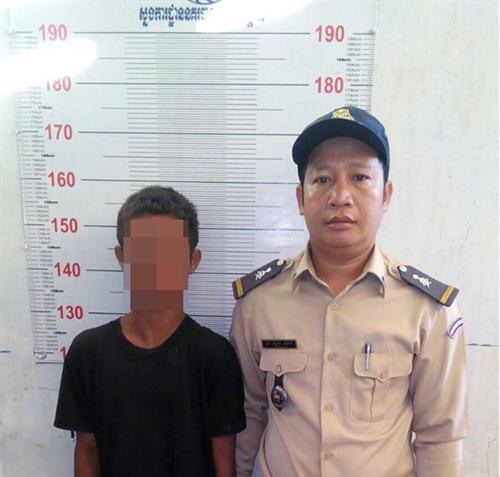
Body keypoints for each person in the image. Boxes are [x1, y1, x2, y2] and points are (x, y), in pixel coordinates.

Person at [230, 106, 467, 477]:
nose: (340, 196)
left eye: (359, 177)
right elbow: (247, 415)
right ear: (300, 199)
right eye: (322, 179)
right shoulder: (258, 303)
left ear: (386, 195)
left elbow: (440, 437)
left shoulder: (428, 311)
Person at [54, 185, 246, 477]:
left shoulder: (216, 356)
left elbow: (224, 464)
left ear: (192, 261)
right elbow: (87, 451)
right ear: (121, 256)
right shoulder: (87, 352)